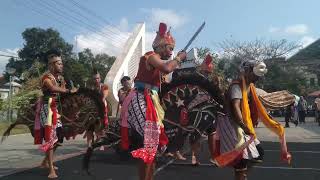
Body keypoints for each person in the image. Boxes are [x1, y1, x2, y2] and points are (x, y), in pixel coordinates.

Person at [120, 22, 186, 180]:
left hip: (151, 100)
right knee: (150, 141)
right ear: (161, 46)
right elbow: (167, 68)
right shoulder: (150, 56)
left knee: (152, 144)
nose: (171, 53)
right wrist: (178, 58)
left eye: (172, 50)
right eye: (170, 48)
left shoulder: (159, 63)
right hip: (140, 98)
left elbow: (166, 74)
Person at [213, 60, 291, 180]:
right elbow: (235, 106)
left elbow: (256, 106)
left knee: (257, 153)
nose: (257, 77)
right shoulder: (236, 85)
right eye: (255, 74)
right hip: (233, 126)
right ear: (247, 71)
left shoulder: (251, 87)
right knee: (241, 161)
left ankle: (242, 176)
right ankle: (241, 176)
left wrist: (268, 118)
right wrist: (243, 125)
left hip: (241, 126)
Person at [34, 49, 77, 178]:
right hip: (47, 109)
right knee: (51, 138)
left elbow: (63, 91)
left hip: (56, 109)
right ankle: (51, 169)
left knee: (58, 137)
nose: (61, 65)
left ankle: (45, 162)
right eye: (58, 63)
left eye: (61, 63)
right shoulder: (46, 77)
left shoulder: (61, 78)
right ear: (52, 65)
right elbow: (53, 89)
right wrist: (69, 91)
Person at [85, 70, 109, 149]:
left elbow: (104, 97)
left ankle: (101, 144)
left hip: (101, 108)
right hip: (91, 109)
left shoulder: (104, 86)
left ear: (100, 78)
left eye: (98, 78)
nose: (96, 80)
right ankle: (89, 145)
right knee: (89, 128)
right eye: (95, 79)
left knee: (100, 127)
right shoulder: (90, 87)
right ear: (92, 79)